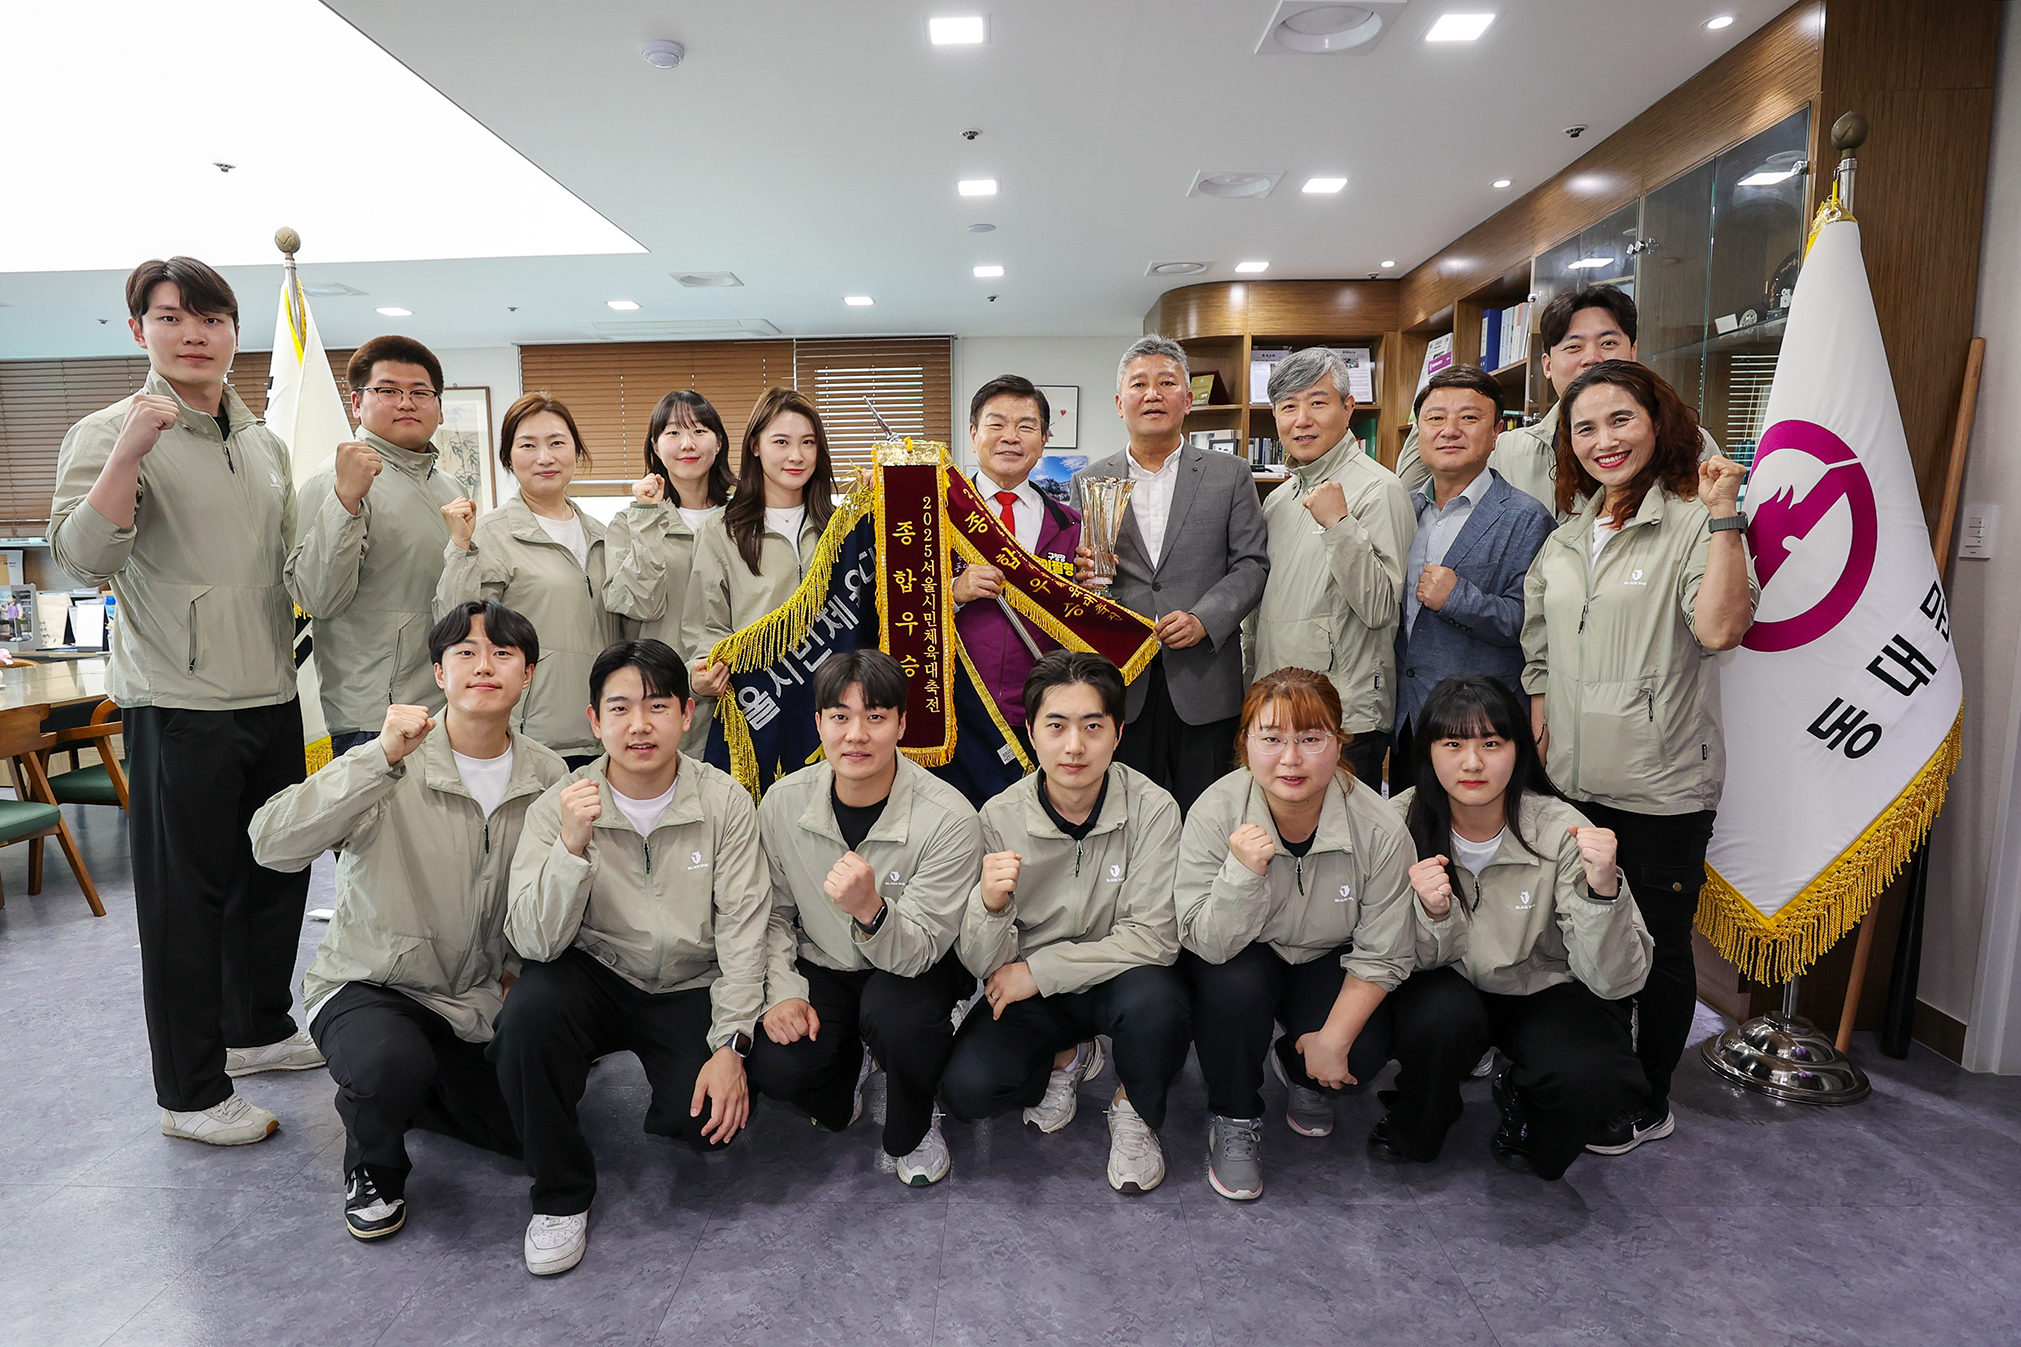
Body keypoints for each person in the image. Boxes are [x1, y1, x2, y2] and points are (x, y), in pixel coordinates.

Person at [50, 256, 319, 1147]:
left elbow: (285, 567)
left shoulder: (263, 441)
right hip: (178, 701)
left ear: (234, 332)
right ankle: (191, 1093)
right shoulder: (108, 429)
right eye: (171, 318)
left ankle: (255, 1030)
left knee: (273, 879)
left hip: (270, 692)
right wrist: (131, 449)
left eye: (210, 318)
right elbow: (85, 558)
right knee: (184, 906)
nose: (192, 334)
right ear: (140, 331)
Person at [248, 601, 566, 1239]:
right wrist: (377, 759)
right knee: (389, 1066)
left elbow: (543, 892)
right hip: (373, 984)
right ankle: (374, 1164)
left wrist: (517, 971)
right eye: (466, 654)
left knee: (523, 1130)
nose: (484, 666)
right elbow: (271, 843)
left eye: (504, 654)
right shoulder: (390, 759)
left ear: (528, 675)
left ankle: (404, 1090)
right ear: (438, 672)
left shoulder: (547, 773)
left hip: (473, 998)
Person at [1521, 360, 1752, 1156]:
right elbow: (1539, 650)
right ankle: (1595, 1078)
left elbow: (1721, 629)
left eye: (1620, 419)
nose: (1602, 440)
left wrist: (1725, 516)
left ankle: (1647, 1098)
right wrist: (1541, 728)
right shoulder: (1568, 534)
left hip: (1660, 785)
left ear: (1657, 421)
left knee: (1654, 948)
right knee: (1585, 939)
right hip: (1572, 783)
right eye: (1583, 427)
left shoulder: (1693, 518)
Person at [491, 639, 767, 1276]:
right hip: (596, 973)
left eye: (657, 705)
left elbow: (745, 932)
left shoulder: (725, 802)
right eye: (619, 708)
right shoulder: (558, 806)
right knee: (529, 1016)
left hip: (687, 984)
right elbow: (534, 943)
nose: (639, 725)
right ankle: (559, 1196)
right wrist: (570, 849)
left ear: (686, 714)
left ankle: (669, 1093)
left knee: (703, 1125)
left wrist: (731, 1046)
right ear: (593, 721)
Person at [1374, 675, 1652, 1180]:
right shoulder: (1396, 824)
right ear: (1428, 751)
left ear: (1519, 749)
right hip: (1447, 980)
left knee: (1589, 1083)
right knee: (1437, 1020)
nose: (1473, 762)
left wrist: (1603, 893)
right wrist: (1435, 916)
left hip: (1542, 987)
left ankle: (1525, 1098)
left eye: (1492, 743)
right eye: (1453, 743)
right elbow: (1383, 953)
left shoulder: (1565, 830)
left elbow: (1617, 981)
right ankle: (1422, 1109)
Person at [941, 651, 1190, 1194]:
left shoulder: (1154, 809)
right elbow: (982, 965)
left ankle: (1134, 1109)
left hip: (1119, 978)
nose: (1074, 746)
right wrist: (989, 908)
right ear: (1031, 732)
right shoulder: (997, 817)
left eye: (1092, 726)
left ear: (1118, 733)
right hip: (1036, 995)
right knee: (968, 1091)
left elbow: (1156, 938)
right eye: (1056, 726)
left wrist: (1041, 971)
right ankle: (1068, 1056)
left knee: (1160, 1004)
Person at [1176, 667, 1417, 1201]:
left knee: (1359, 1053)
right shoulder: (1215, 811)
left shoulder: (1378, 827)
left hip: (1329, 957)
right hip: (1243, 953)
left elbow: (1386, 950)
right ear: (1244, 744)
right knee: (1228, 989)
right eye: (1272, 739)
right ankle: (1234, 1116)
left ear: (1340, 742)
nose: (1291, 758)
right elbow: (1204, 941)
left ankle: (1299, 1066)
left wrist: (1332, 1040)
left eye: (1311, 739)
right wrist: (1241, 874)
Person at [746, 650, 984, 1187]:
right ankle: (846, 1074)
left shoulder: (949, 818)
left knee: (902, 1024)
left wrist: (870, 911)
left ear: (902, 723)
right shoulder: (782, 804)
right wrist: (782, 990)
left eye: (875, 717)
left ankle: (916, 1121)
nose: (857, 734)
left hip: (912, 965)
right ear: (818, 724)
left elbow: (922, 947)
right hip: (823, 962)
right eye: (840, 716)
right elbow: (774, 915)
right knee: (777, 1066)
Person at [1073, 336, 1269, 812]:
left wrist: (1206, 618)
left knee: (1207, 811)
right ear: (1120, 402)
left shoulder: (1230, 473)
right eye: (1139, 384)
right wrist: (1079, 577)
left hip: (1204, 674)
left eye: (1167, 382)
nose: (1153, 394)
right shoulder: (1090, 479)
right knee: (1129, 812)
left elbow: (1252, 562)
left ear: (1187, 398)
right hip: (1124, 676)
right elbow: (1082, 572)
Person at [287, 335, 467, 757]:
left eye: (420, 393)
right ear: (356, 403)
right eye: (388, 391)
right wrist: (345, 502)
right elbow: (317, 597)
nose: (406, 403)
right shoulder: (334, 480)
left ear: (438, 408)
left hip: (447, 705)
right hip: (375, 716)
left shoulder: (448, 485)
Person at [1393, 284, 1723, 513]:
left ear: (1632, 353)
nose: (1592, 358)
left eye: (1608, 343)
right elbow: (1412, 492)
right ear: (1548, 366)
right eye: (1574, 346)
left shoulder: (1688, 441)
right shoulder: (1506, 449)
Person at [1249, 347, 1415, 786]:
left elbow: (1381, 607)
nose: (1302, 419)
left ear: (1348, 408)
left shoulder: (1379, 489)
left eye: (1317, 402)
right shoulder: (1277, 502)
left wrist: (1339, 525)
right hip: (1279, 710)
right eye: (1288, 406)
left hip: (1344, 717)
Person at [436, 393, 620, 767]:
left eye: (557, 443)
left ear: (576, 450)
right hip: (533, 737)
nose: (545, 458)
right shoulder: (489, 535)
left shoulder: (606, 536)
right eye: (528, 445)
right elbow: (452, 623)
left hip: (607, 732)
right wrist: (460, 548)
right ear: (508, 457)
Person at [1392, 366, 1556, 771]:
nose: (1450, 430)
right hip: (1407, 721)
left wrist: (1457, 599)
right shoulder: (1401, 511)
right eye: (1435, 418)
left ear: (1497, 430)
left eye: (1469, 417)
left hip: (1481, 734)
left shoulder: (1527, 518)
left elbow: (1537, 625)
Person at [682, 387, 837, 749]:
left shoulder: (841, 528)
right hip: (760, 709)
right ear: (755, 446)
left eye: (808, 443)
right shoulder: (722, 530)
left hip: (835, 710)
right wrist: (700, 673)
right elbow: (706, 627)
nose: (796, 456)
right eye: (781, 442)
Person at [953, 374, 1082, 749]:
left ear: (1043, 442)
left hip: (1043, 711)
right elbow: (898, 603)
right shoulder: (937, 514)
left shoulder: (1069, 524)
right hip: (959, 710)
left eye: (1026, 426)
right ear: (974, 433)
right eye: (996, 424)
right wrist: (955, 592)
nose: (1011, 436)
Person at [602, 390, 733, 683]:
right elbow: (639, 605)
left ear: (719, 442)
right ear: (656, 447)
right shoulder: (629, 523)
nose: (687, 444)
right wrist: (648, 517)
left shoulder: (744, 519)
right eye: (673, 432)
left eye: (699, 431)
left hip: (741, 684)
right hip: (660, 687)